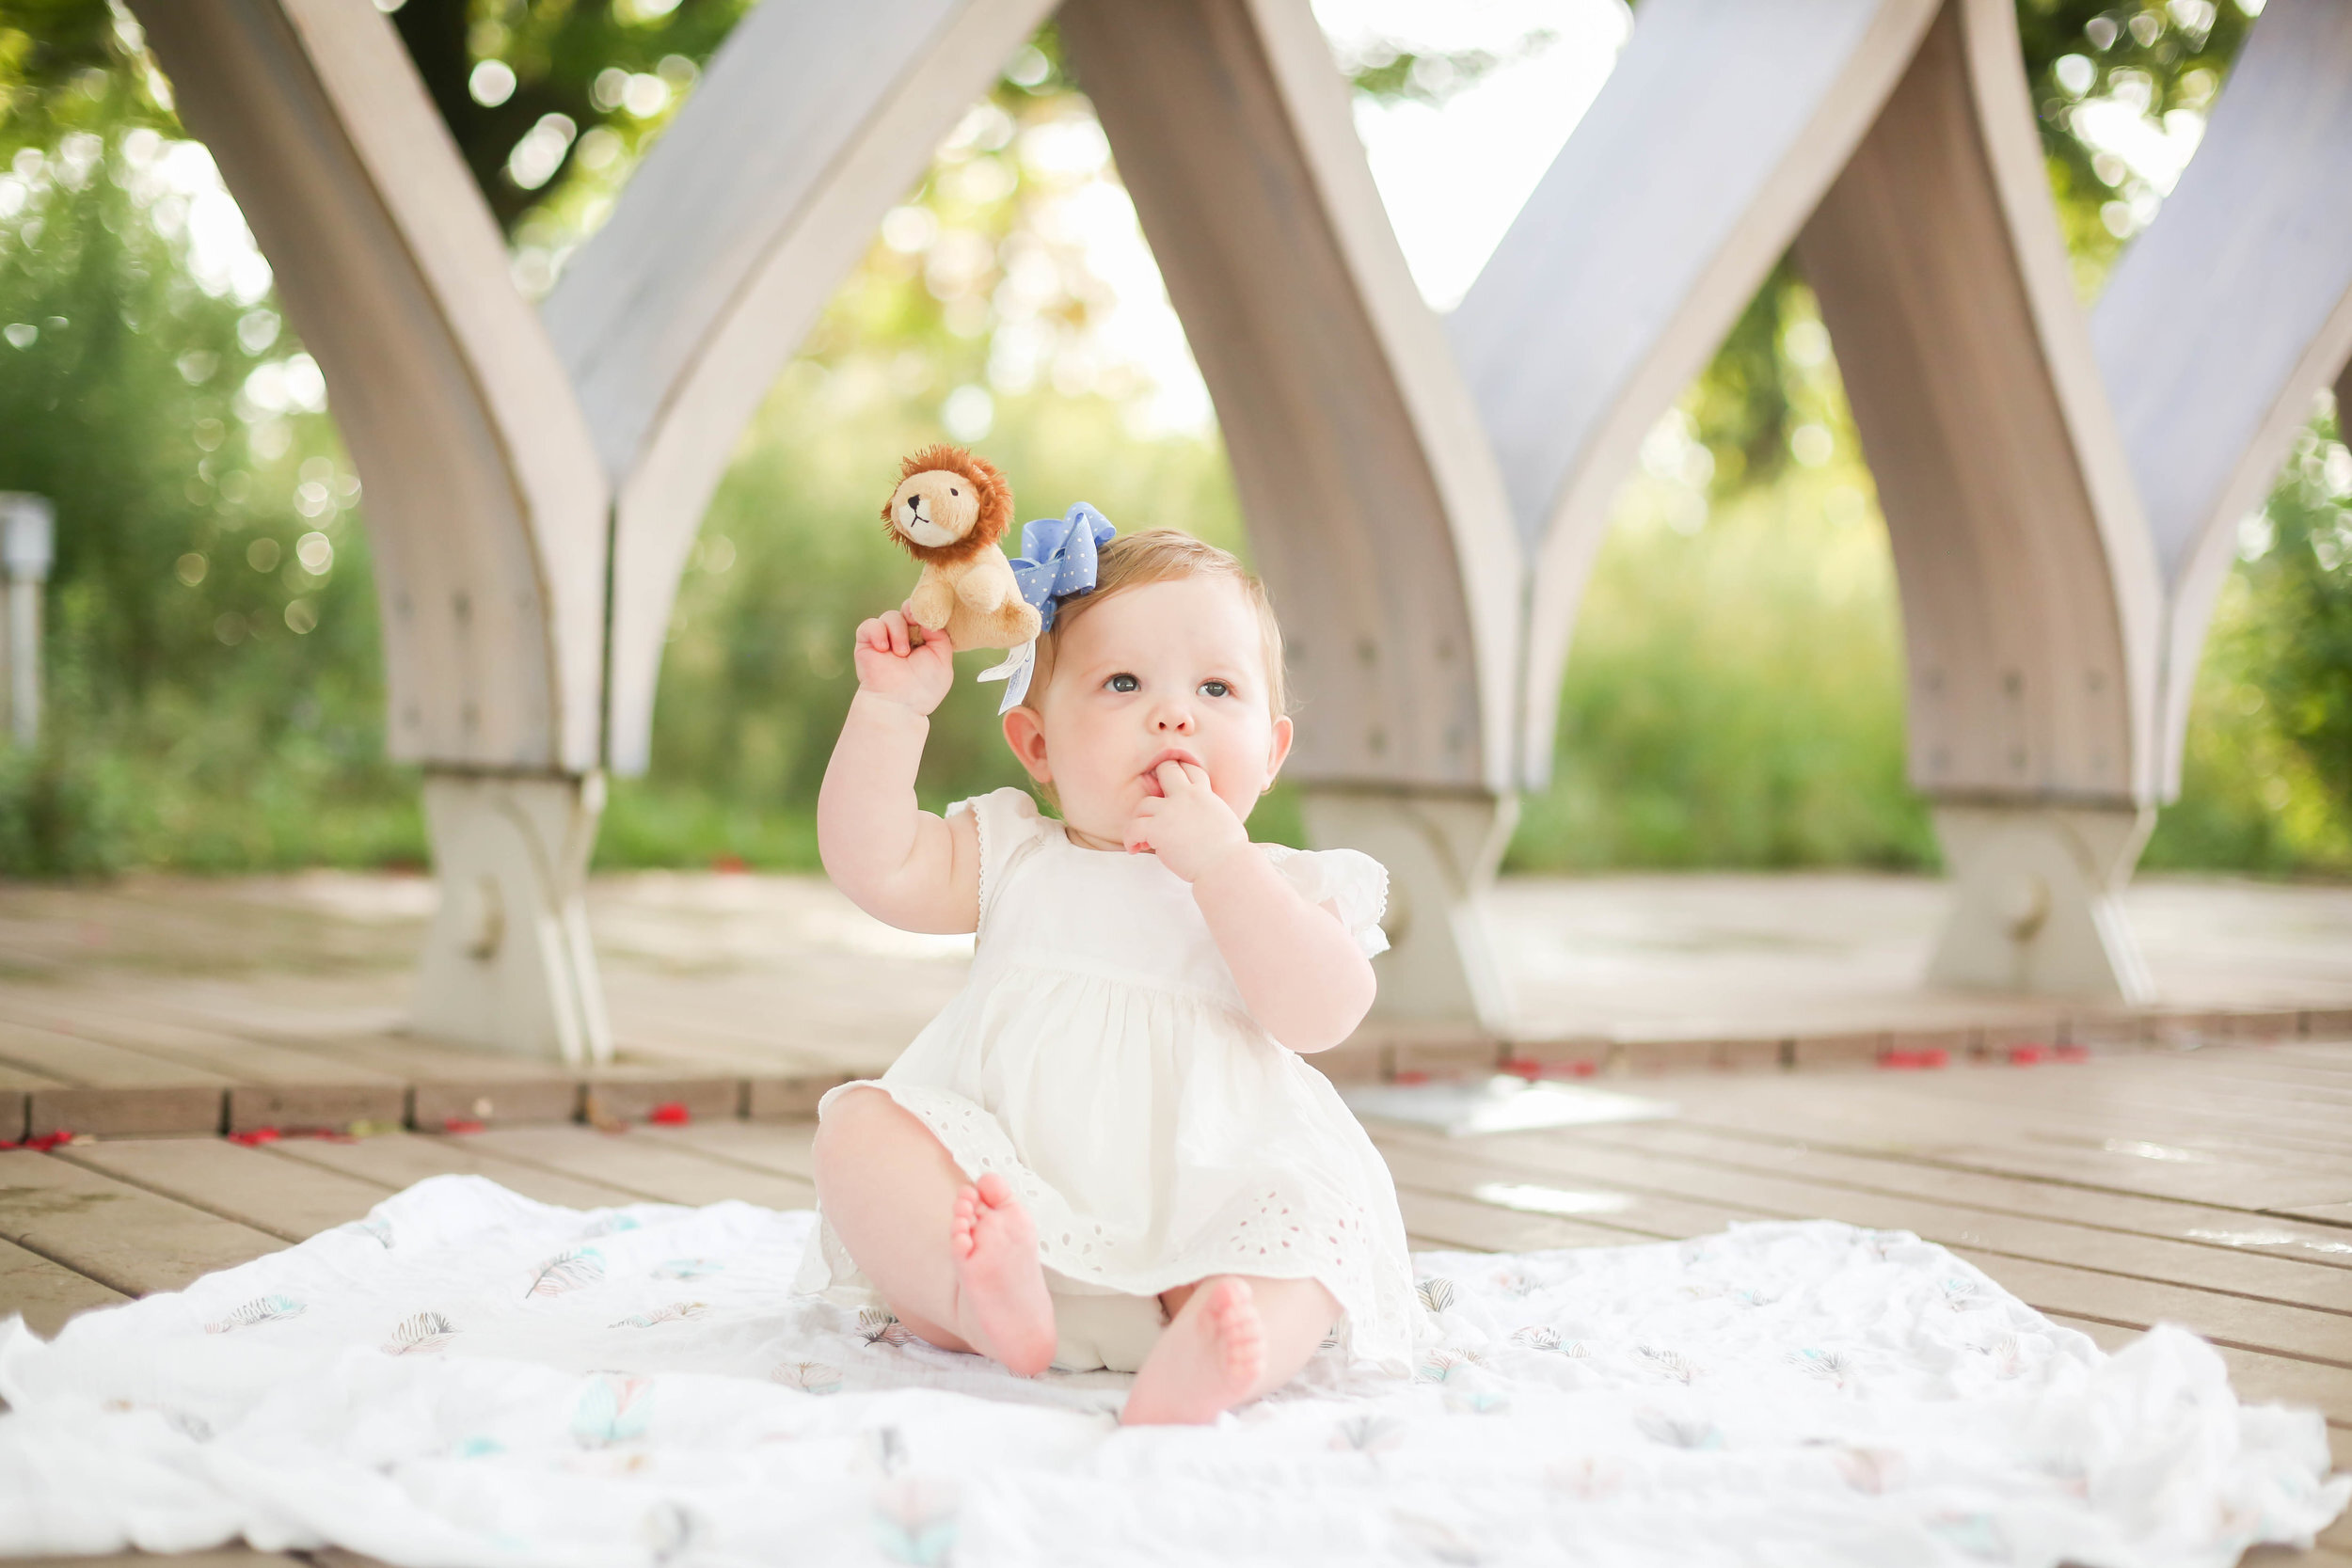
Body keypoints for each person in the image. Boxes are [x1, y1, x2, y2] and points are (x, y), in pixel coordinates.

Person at [796, 519, 1418, 1425]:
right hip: (1013, 1207)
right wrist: (891, 712)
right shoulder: (1013, 853)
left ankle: (1217, 1351)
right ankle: (987, 1302)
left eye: (1216, 687)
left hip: (1209, 1225)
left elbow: (1323, 1013)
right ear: (1038, 746)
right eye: (1123, 682)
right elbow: (874, 864)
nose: (1174, 714)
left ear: (1272, 752)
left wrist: (1223, 867)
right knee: (857, 1131)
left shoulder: (1278, 885)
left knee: (1318, 1218)